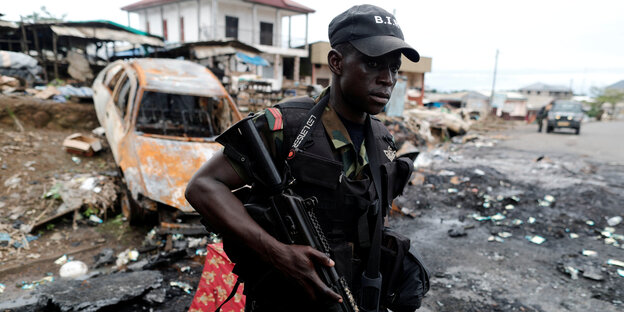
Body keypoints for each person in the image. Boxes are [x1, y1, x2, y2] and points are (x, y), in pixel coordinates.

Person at [186, 4, 423, 311]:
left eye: (394, 67)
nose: (387, 79)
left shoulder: (382, 139)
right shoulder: (285, 126)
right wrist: (278, 253)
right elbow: (203, 186)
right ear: (336, 62)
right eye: (374, 63)